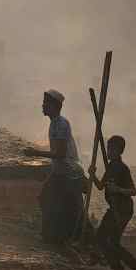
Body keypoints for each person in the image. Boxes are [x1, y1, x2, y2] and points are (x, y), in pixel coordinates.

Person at [88, 135, 136, 270]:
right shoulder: (110, 167)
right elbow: (100, 186)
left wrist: (118, 190)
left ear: (117, 150)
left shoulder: (122, 168)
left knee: (111, 243)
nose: (108, 151)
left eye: (110, 148)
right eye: (108, 148)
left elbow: (133, 191)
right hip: (114, 209)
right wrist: (92, 174)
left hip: (123, 210)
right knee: (102, 238)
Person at [24, 89, 85, 247]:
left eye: (45, 103)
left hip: (68, 173)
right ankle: (53, 234)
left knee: (62, 204)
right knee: (48, 199)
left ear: (53, 106)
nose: (42, 106)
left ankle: (60, 236)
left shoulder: (61, 124)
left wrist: (35, 153)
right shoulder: (54, 123)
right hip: (61, 171)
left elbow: (59, 153)